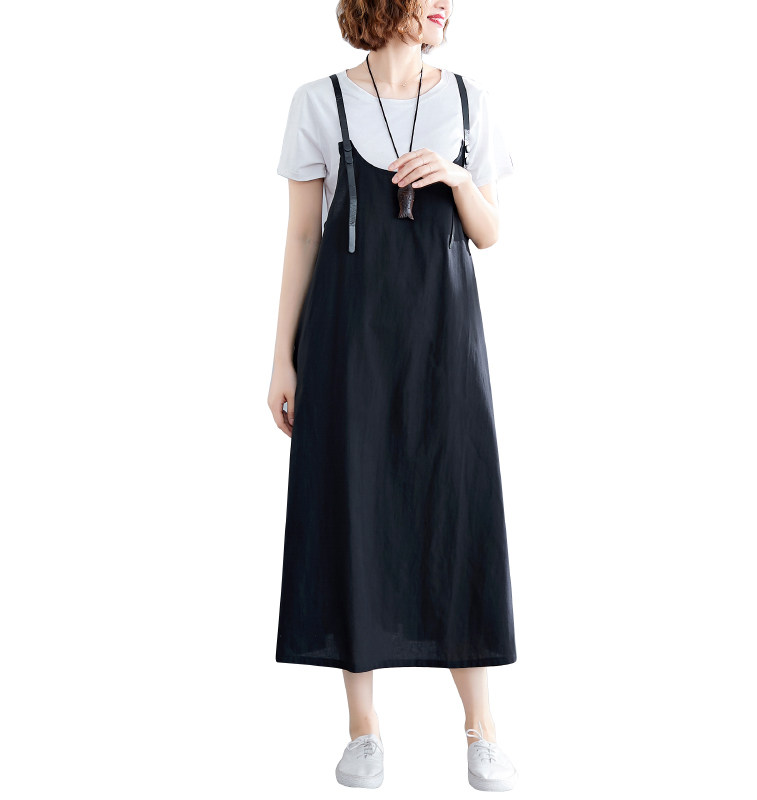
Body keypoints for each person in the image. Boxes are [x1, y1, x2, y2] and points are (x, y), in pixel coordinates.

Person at [268, 0, 518, 790]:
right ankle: (363, 729)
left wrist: (455, 176)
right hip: (347, 342)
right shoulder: (319, 101)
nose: (446, 4)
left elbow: (490, 232)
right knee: (355, 506)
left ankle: (480, 729)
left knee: (459, 506)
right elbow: (301, 237)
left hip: (445, 342)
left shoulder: (469, 100)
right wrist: (282, 360)